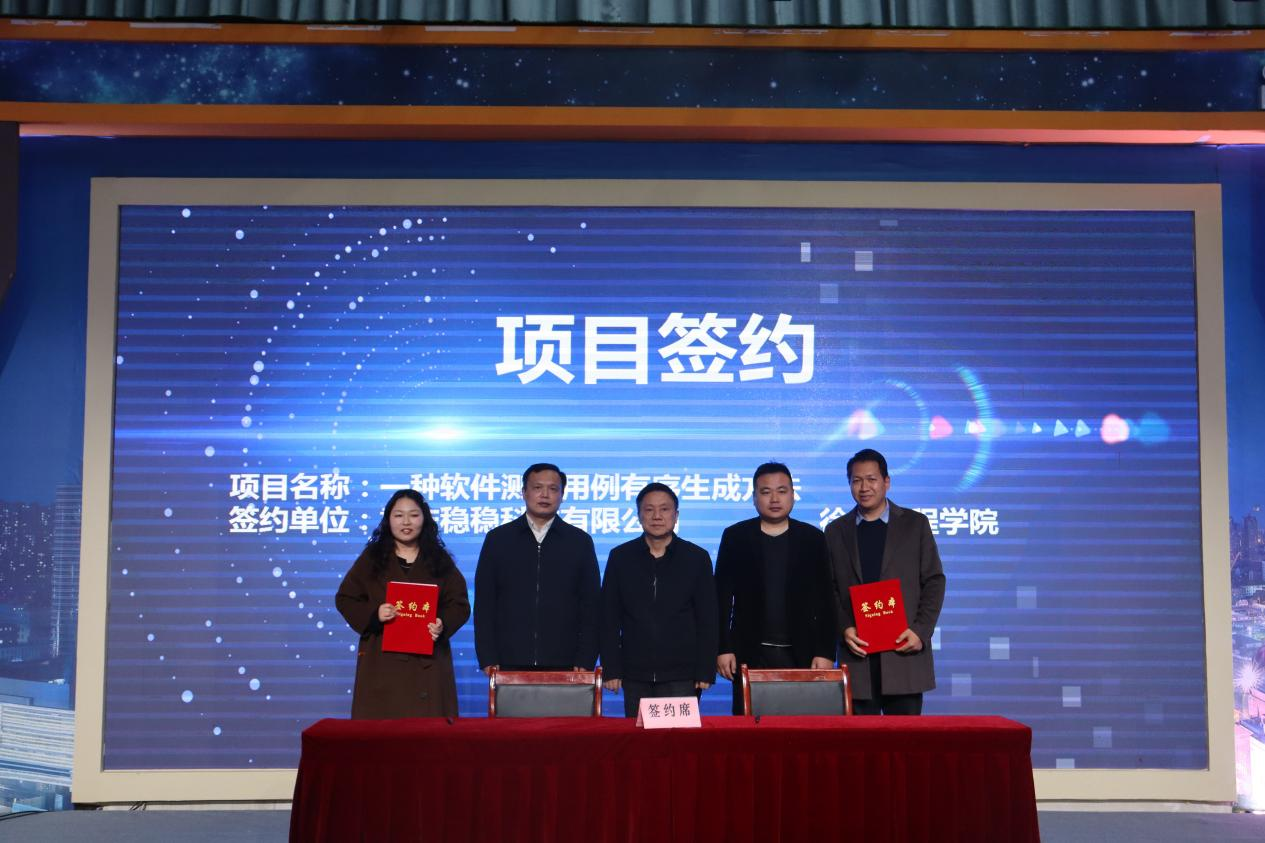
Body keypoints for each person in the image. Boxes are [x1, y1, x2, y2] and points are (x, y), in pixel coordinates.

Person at [825, 448, 945, 715]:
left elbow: (934, 581)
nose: (864, 487)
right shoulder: (835, 531)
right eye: (856, 480)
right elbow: (829, 588)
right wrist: (844, 628)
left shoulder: (915, 524)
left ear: (886, 481)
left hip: (904, 654)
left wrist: (920, 631)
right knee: (859, 741)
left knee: (905, 740)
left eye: (871, 479)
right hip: (858, 657)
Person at [335, 489, 470, 718]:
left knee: (426, 734)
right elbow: (345, 598)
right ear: (388, 520)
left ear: (424, 519)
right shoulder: (372, 559)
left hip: (427, 664)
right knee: (381, 733)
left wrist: (442, 623)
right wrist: (375, 614)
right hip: (382, 662)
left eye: (414, 515)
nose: (406, 522)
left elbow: (459, 604)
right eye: (398, 515)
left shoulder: (439, 559)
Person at [715, 462, 837, 715]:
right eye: (765, 491)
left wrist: (825, 651)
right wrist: (723, 648)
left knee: (801, 726)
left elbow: (826, 599)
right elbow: (721, 598)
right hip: (749, 653)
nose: (774, 499)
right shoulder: (736, 536)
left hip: (802, 654)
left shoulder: (813, 539)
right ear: (754, 497)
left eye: (782, 491)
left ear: (792, 494)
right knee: (749, 727)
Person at [600, 482, 718, 717]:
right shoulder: (621, 557)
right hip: (635, 673)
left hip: (683, 674)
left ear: (676, 515)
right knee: (640, 736)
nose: (657, 516)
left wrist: (705, 669)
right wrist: (612, 668)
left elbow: (708, 618)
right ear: (638, 515)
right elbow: (608, 617)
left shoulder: (696, 558)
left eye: (664, 509)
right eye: (649, 509)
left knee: (678, 737)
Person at [474, 463, 601, 673]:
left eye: (553, 489)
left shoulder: (579, 542)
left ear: (562, 495)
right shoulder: (498, 539)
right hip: (508, 659)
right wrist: (487, 655)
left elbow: (591, 605)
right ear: (524, 492)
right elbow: (485, 603)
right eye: (537, 488)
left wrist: (586, 657)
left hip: (567, 662)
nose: (545, 495)